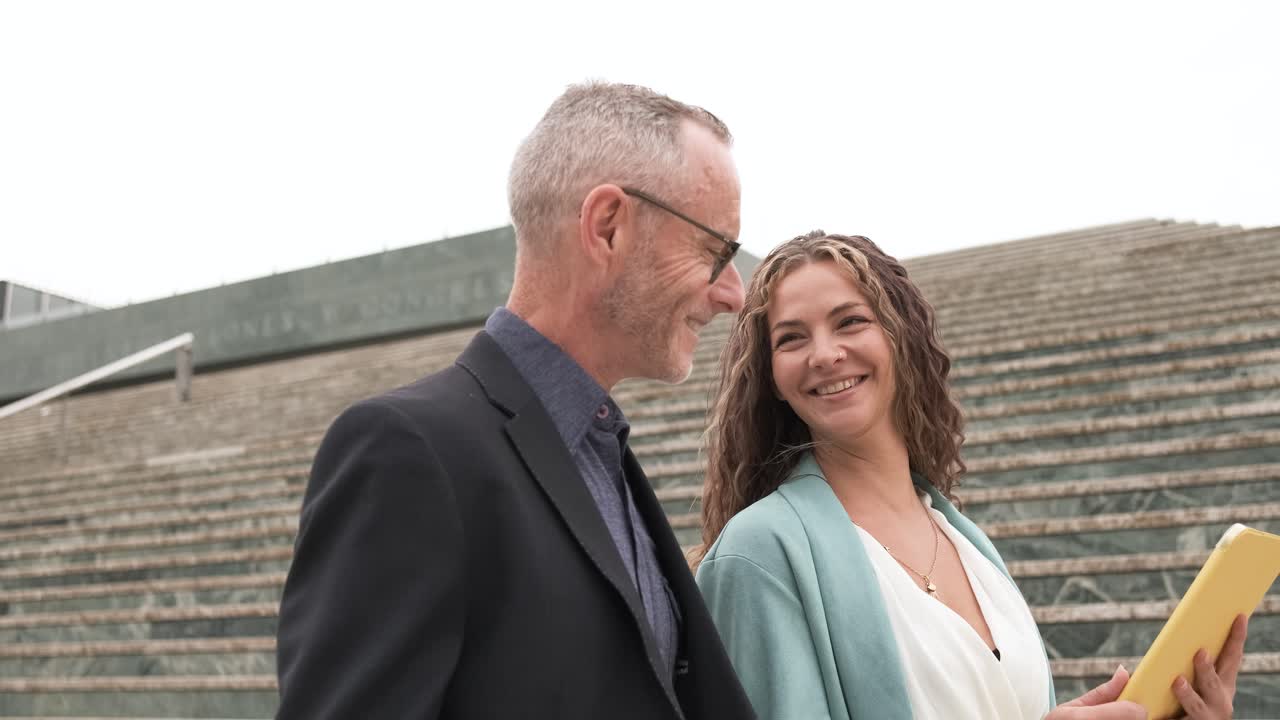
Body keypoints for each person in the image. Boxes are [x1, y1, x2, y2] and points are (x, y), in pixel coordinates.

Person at [275, 81, 758, 719]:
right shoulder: (407, 451)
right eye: (715, 250)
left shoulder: (598, 448)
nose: (733, 293)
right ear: (608, 227)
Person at [693, 230, 1248, 720]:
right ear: (772, 376)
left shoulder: (966, 543)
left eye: (851, 321)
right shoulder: (758, 554)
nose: (824, 353)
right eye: (791, 338)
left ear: (901, 337)